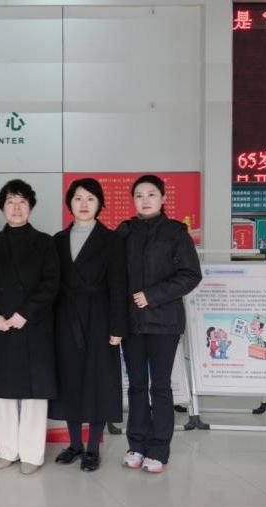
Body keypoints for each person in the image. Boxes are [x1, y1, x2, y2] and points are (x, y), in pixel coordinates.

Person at [116, 174, 201, 473]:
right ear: (133, 200)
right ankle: (136, 445)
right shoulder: (124, 232)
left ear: (163, 198)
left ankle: (159, 449)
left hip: (164, 322)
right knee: (137, 386)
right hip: (131, 324)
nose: (145, 200)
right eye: (139, 195)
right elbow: (114, 277)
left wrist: (152, 296)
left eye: (151, 194)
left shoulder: (176, 232)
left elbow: (191, 275)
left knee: (161, 386)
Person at [49, 178, 127, 473]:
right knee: (69, 381)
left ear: (100, 204)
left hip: (100, 318)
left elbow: (119, 285)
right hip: (65, 317)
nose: (84, 204)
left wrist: (118, 327)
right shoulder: (57, 240)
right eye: (78, 198)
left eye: (90, 199)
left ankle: (93, 447)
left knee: (98, 382)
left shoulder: (112, 240)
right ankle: (74, 445)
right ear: (69, 203)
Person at [0, 179, 59, 475]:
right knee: (4, 393)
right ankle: (6, 450)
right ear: (2, 207)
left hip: (34, 326)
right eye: (10, 202)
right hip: (1, 326)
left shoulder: (45, 242)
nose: (16, 208)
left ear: (31, 207)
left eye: (22, 202)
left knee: (33, 394)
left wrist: (24, 313)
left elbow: (51, 284)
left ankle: (31, 453)